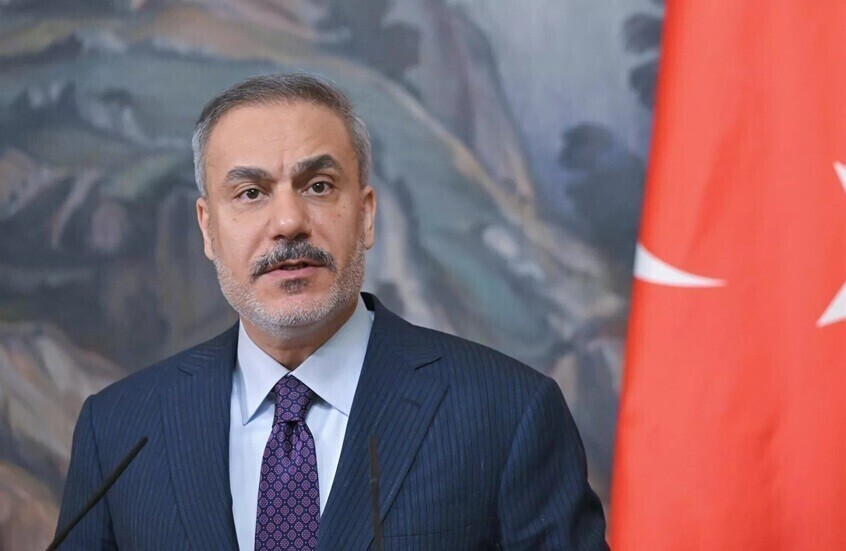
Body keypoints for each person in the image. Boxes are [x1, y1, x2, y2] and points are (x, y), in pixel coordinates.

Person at [56, 73, 608, 550]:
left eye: (318, 186)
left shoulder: (508, 413)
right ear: (207, 228)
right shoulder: (120, 430)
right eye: (250, 193)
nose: (288, 222)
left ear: (365, 216)